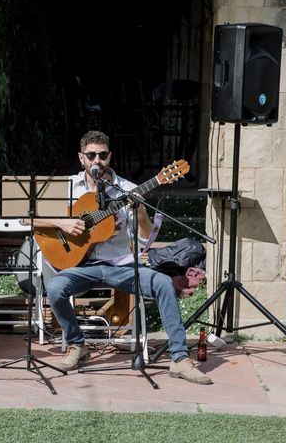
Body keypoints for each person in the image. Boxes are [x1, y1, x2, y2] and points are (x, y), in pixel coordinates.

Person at [33, 130, 212, 384]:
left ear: (110, 156)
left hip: (122, 265)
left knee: (162, 284)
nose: (98, 160)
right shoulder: (67, 187)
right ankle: (77, 344)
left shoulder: (126, 189)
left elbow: (147, 237)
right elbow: (28, 216)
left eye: (103, 155)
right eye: (92, 155)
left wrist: (139, 213)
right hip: (83, 265)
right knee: (55, 287)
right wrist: (63, 223)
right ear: (81, 158)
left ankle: (180, 358)